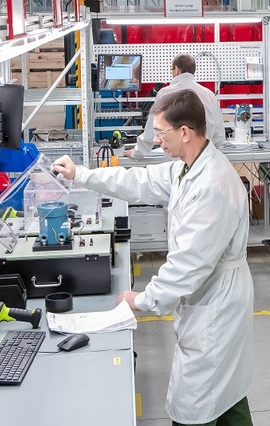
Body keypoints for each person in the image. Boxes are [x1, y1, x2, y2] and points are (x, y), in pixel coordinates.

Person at [52, 90, 254, 426]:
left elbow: (187, 267)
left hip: (217, 305)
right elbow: (138, 180)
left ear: (185, 132)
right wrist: (81, 175)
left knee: (196, 402)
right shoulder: (188, 168)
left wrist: (142, 299)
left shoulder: (212, 186)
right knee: (225, 392)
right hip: (213, 297)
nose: (156, 140)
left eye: (160, 132)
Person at [126, 54, 225, 160]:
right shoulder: (209, 95)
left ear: (177, 69)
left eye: (171, 69)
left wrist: (136, 153)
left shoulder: (165, 94)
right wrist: (207, 154)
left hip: (174, 162)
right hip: (203, 160)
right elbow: (218, 135)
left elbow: (151, 131)